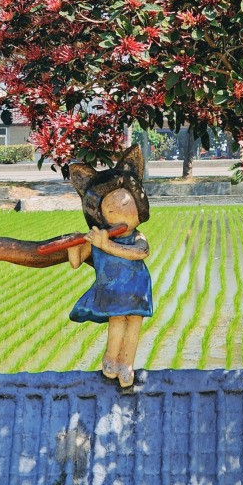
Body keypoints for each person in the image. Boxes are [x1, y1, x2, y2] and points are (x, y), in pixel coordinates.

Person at [66, 145, 153, 389]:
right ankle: (111, 359)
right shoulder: (96, 237)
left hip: (137, 288)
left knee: (134, 325)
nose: (122, 214)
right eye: (113, 210)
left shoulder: (136, 237)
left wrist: (107, 247)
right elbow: (75, 262)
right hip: (112, 291)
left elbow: (141, 253)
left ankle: (127, 364)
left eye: (129, 207)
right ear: (101, 216)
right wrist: (74, 244)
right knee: (116, 323)